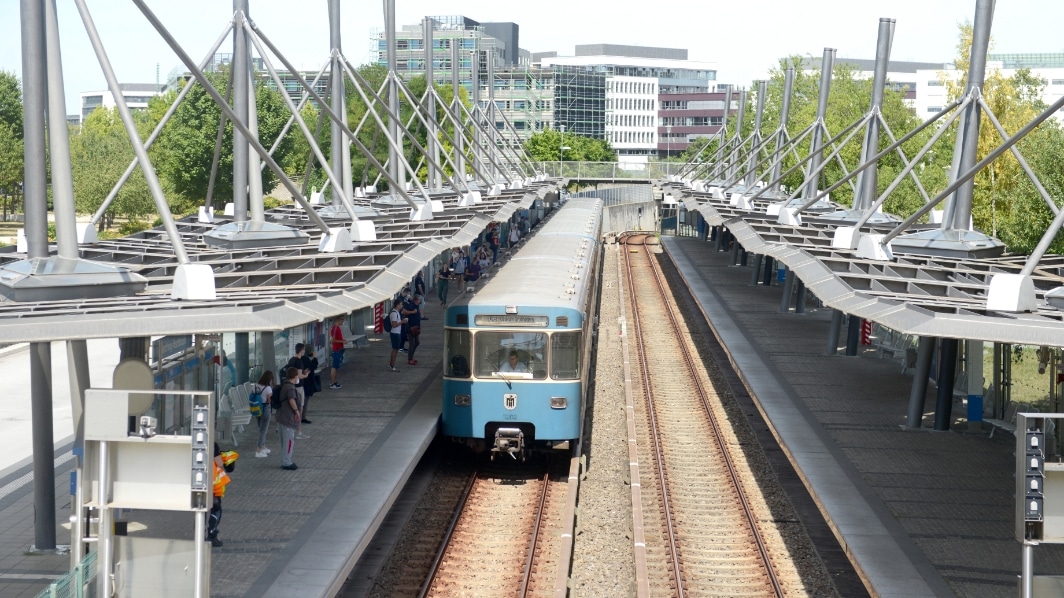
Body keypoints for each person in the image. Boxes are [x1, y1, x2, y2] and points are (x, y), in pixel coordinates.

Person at [277, 367, 300, 470]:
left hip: (281, 417)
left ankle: (284, 460)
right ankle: (287, 462)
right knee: (289, 441)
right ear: (295, 377)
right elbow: (291, 400)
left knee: (283, 441)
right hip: (288, 418)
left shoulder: (284, 385)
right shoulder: (290, 388)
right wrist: (296, 411)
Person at [287, 344, 310, 434]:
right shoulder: (299, 361)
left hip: (291, 386)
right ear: (302, 350)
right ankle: (298, 430)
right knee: (299, 407)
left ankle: (292, 427)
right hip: (299, 387)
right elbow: (299, 376)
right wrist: (306, 375)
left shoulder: (291, 360)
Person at [207, 442, 226, 546]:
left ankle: (199, 535)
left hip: (197, 481)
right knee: (216, 508)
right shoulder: (212, 444)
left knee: (200, 510)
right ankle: (211, 535)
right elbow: (219, 463)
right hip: (213, 484)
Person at [253, 371, 274, 458]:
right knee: (263, 430)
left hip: (257, 408)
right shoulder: (268, 388)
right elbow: (270, 400)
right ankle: (258, 450)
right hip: (265, 408)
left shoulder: (256, 386)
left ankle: (263, 446)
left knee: (260, 428)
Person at [388, 298, 408, 372]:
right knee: (395, 349)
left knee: (396, 349)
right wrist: (402, 321)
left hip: (397, 332)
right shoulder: (394, 313)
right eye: (401, 304)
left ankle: (392, 364)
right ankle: (392, 365)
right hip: (395, 333)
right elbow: (394, 324)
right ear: (397, 305)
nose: (402, 306)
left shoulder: (396, 312)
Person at [403, 294, 422, 366]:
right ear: (417, 300)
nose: (420, 301)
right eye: (419, 300)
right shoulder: (411, 305)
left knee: (417, 342)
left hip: (416, 327)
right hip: (410, 327)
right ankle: (410, 359)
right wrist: (412, 312)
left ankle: (411, 356)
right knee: (412, 343)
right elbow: (404, 312)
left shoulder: (416, 306)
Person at [301, 348, 319, 423]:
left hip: (302, 383)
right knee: (304, 401)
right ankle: (302, 417)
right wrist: (315, 358)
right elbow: (313, 366)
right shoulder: (305, 359)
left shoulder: (300, 359)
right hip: (306, 384)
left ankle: (302, 416)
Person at [329, 315, 346, 389]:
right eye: (342, 319)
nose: (343, 321)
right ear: (338, 319)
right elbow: (333, 340)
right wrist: (342, 341)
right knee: (335, 367)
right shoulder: (335, 328)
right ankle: (333, 383)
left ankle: (334, 382)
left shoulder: (337, 328)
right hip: (337, 349)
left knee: (336, 367)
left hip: (338, 349)